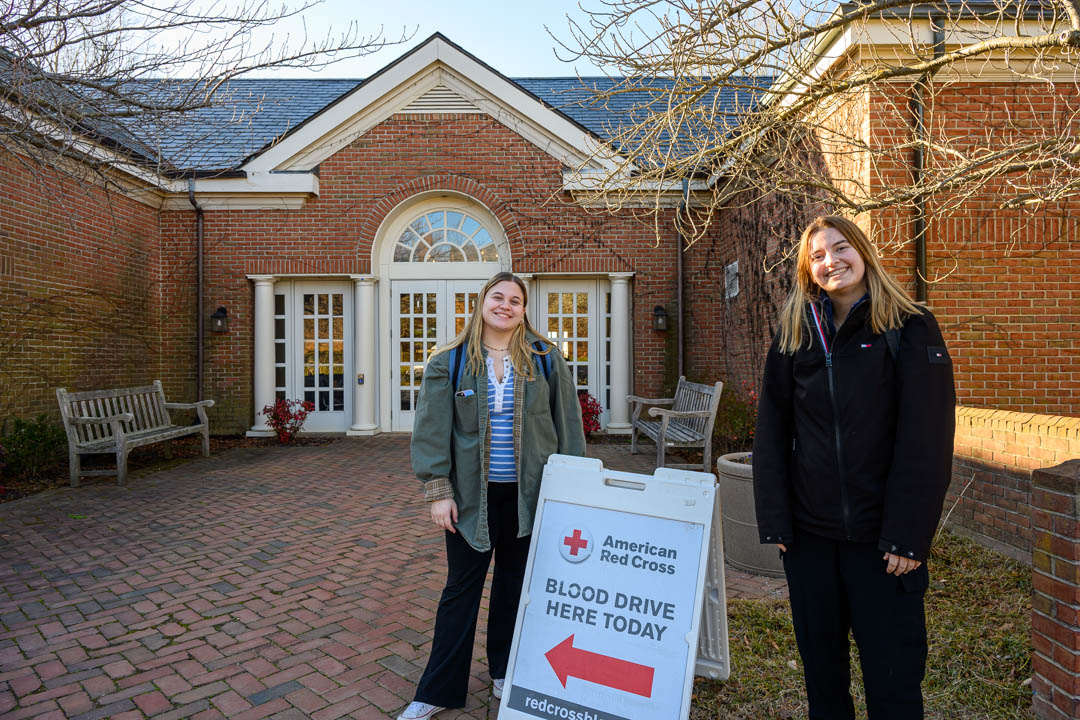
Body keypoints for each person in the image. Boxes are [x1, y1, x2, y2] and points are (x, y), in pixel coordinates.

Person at [753, 216, 955, 720]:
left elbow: (926, 438)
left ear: (862, 251)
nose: (830, 262)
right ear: (807, 269)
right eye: (817, 256)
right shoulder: (795, 332)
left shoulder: (909, 326)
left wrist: (908, 536)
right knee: (824, 685)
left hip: (883, 545)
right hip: (809, 541)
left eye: (840, 248)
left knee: (894, 686)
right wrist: (777, 521)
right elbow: (772, 430)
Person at [398, 272, 586, 720]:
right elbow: (431, 431)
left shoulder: (544, 358)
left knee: (513, 588)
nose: (505, 305)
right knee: (460, 590)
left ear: (523, 310)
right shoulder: (451, 360)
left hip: (530, 498)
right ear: (482, 302)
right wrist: (438, 491)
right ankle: (437, 690)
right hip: (470, 501)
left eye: (515, 300)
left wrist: (574, 489)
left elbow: (569, 427)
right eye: (497, 297)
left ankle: (504, 670)